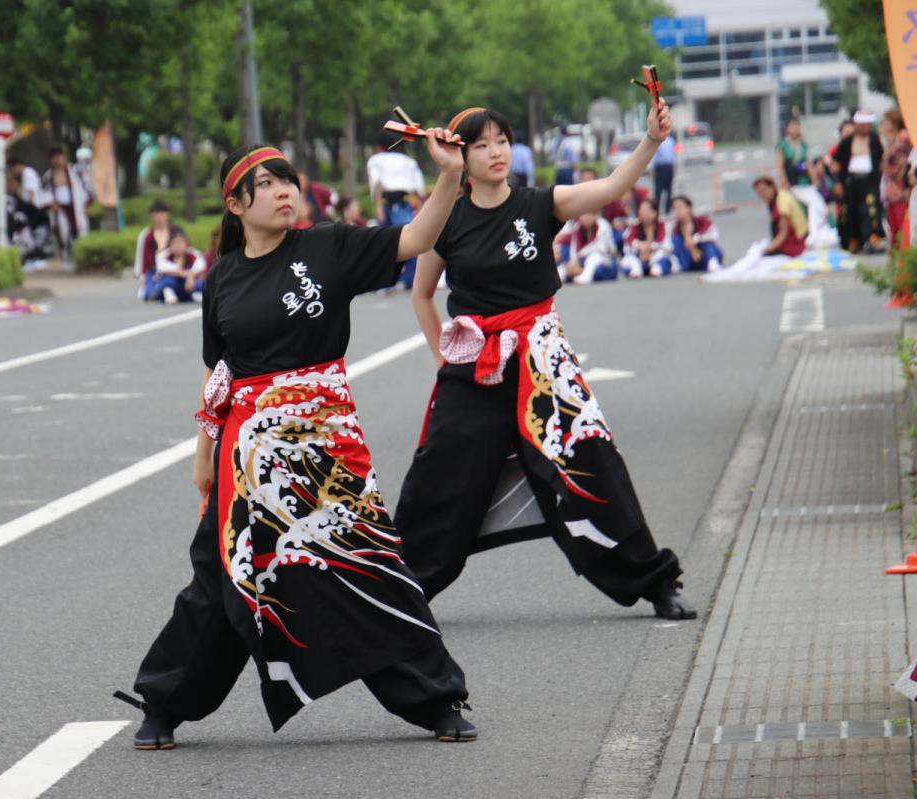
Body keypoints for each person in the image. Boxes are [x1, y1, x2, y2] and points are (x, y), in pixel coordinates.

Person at [118, 131, 480, 750]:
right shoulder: (224, 277)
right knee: (222, 574)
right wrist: (203, 451)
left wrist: (448, 176)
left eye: (287, 180)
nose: (283, 191)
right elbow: (219, 371)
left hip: (323, 444)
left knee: (366, 565)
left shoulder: (329, 247)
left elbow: (416, 239)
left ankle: (436, 699)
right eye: (265, 185)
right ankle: (164, 703)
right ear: (235, 205)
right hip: (248, 452)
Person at [393, 102, 696, 622]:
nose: (496, 152)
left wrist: (650, 140)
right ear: (460, 156)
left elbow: (609, 188)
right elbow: (422, 295)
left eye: (503, 140)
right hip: (476, 364)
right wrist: (444, 355)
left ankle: (655, 583)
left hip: (542, 358)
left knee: (593, 462)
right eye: (482, 144)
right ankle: (399, 598)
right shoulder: (445, 219)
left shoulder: (540, 204)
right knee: (438, 476)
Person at [366, 132, 427, 289]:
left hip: (387, 203)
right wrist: (420, 207)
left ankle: (385, 283)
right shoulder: (409, 161)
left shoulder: (376, 160)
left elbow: (377, 183)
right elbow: (419, 188)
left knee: (384, 243)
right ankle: (409, 279)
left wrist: (378, 206)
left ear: (379, 147)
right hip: (407, 202)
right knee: (412, 241)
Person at [832, 110, 885, 254]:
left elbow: (881, 159)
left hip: (869, 181)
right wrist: (837, 182)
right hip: (851, 181)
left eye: (868, 124)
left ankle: (872, 239)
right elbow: (835, 163)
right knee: (849, 212)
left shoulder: (874, 139)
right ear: (857, 125)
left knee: (871, 209)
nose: (866, 127)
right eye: (863, 124)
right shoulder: (848, 140)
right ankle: (853, 240)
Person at [42, 146, 90, 267]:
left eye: (59, 157)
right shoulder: (49, 176)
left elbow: (86, 187)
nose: (57, 160)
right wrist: (51, 204)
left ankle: (82, 257)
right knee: (63, 233)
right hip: (60, 208)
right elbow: (44, 193)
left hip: (76, 206)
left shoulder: (74, 171)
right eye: (54, 158)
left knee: (79, 230)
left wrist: (87, 204)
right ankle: (66, 257)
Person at [133, 200, 183, 297]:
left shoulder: (176, 231)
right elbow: (140, 256)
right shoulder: (146, 235)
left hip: (175, 270)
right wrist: (141, 275)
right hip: (154, 271)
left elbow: (186, 251)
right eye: (157, 214)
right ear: (152, 216)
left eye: (162, 214)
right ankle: (162, 290)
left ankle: (166, 290)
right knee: (148, 293)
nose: (160, 217)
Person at [555, 210, 619, 284]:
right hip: (584, 260)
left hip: (606, 261)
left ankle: (585, 275)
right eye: (582, 215)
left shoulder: (603, 225)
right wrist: (573, 260)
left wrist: (577, 258)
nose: (585, 218)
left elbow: (598, 248)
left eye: (588, 215)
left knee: (594, 257)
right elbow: (574, 246)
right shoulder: (577, 227)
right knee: (566, 263)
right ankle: (559, 276)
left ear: (595, 215)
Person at [145, 229, 206, 304]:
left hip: (188, 283)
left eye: (180, 243)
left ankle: (193, 295)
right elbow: (165, 269)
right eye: (175, 243)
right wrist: (185, 273)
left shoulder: (194, 254)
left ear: (186, 244)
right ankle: (169, 295)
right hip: (171, 283)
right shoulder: (163, 255)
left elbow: (200, 266)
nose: (178, 246)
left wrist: (190, 276)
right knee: (167, 280)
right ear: (170, 245)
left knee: (201, 283)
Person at [621, 196, 676, 277]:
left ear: (655, 213)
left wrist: (650, 250)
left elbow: (667, 246)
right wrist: (639, 246)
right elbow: (627, 241)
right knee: (629, 260)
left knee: (663, 258)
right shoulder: (634, 225)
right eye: (641, 210)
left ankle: (656, 270)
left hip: (656, 256)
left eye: (646, 210)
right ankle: (636, 271)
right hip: (639, 256)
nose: (643, 213)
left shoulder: (663, 225)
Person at [880, 109, 911, 248]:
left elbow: (895, 165)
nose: (884, 125)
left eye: (886, 122)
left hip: (900, 190)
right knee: (894, 230)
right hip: (892, 191)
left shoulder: (903, 138)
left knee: (901, 230)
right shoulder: (892, 139)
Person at [669, 195, 722, 272]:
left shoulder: (702, 221)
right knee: (675, 240)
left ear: (689, 208)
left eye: (680, 208)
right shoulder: (673, 226)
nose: (677, 211)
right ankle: (677, 264)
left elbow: (714, 235)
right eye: (674, 209)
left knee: (708, 244)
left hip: (703, 253)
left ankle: (712, 262)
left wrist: (695, 239)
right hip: (687, 257)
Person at [776, 116, 810, 190]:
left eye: (797, 125)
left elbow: (808, 163)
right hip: (789, 180)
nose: (795, 127)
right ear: (787, 128)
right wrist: (784, 181)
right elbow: (780, 166)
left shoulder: (804, 144)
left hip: (804, 180)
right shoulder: (782, 145)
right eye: (793, 125)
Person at [651, 133, 676, 213]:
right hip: (668, 167)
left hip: (661, 167)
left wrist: (652, 168)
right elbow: (673, 155)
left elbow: (654, 156)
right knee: (668, 189)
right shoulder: (671, 141)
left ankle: (657, 209)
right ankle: (667, 209)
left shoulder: (658, 141)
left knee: (659, 189)